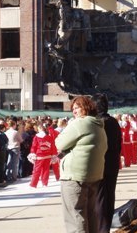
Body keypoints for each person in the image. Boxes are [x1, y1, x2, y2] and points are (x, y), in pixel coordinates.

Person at [55, 96, 107, 233]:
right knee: (91, 214)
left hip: (74, 176)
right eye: (73, 108)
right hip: (93, 175)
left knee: (75, 216)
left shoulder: (79, 124)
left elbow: (59, 143)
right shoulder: (98, 124)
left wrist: (65, 129)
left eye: (77, 107)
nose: (74, 111)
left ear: (87, 107)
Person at [92, 93, 122, 233]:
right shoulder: (113, 121)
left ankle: (101, 228)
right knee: (109, 196)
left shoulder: (97, 123)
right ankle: (106, 227)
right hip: (113, 162)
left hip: (100, 163)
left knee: (99, 198)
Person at [28, 122, 57, 188]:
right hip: (48, 156)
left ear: (39, 128)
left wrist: (33, 153)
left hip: (39, 156)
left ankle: (33, 184)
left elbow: (34, 146)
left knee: (36, 170)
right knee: (46, 170)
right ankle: (45, 183)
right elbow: (53, 146)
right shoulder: (49, 137)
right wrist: (53, 154)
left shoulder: (36, 137)